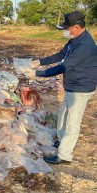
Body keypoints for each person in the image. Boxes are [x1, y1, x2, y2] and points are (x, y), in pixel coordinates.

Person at [29, 11, 97, 164]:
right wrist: (38, 62)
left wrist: (38, 74)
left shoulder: (85, 46)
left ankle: (64, 155)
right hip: (72, 86)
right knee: (63, 115)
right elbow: (59, 56)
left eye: (68, 28)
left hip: (81, 88)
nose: (65, 31)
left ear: (77, 27)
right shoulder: (75, 40)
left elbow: (63, 66)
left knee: (73, 123)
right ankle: (60, 140)